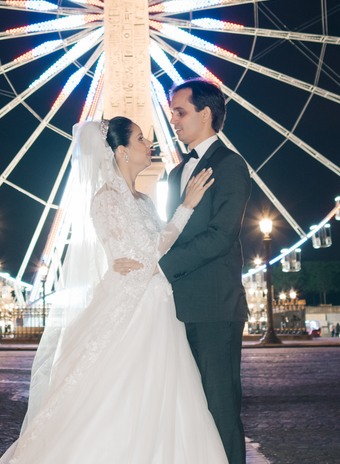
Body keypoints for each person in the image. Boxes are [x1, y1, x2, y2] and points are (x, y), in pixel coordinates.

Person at [0, 117, 226, 464]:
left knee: (164, 398)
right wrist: (186, 207)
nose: (149, 143)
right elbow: (149, 254)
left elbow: (153, 253)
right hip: (133, 307)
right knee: (123, 395)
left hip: (156, 304)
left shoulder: (145, 200)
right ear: (121, 152)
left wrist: (153, 250)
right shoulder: (105, 200)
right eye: (140, 138)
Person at [114, 79, 252, 464]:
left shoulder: (230, 165)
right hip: (173, 309)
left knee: (220, 411)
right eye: (173, 112)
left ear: (205, 114)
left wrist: (159, 267)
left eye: (179, 111)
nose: (171, 120)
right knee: (186, 415)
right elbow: (165, 233)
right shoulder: (174, 176)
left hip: (213, 307)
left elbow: (222, 235)